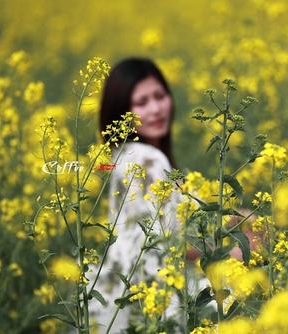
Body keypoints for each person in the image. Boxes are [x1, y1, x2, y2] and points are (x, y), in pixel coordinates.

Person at [90, 57, 186, 333]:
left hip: (117, 305)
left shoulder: (122, 156)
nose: (155, 109)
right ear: (121, 112)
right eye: (141, 103)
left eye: (159, 96)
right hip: (150, 303)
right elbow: (174, 238)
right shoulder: (148, 159)